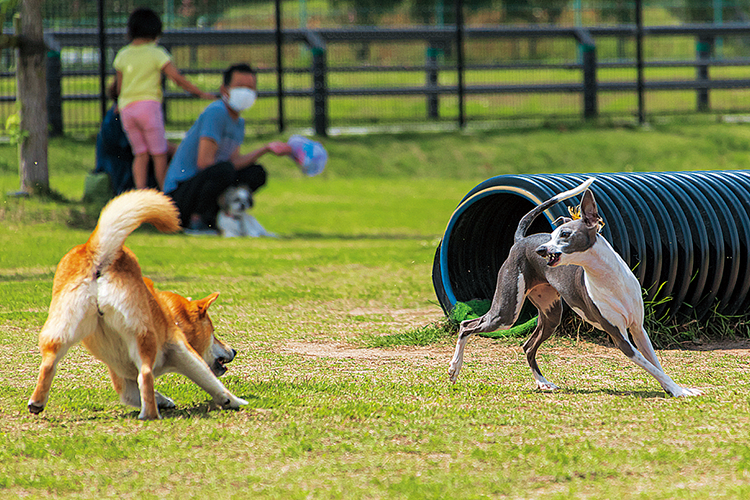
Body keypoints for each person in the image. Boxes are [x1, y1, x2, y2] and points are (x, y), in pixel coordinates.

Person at [163, 63, 292, 235]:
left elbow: (234, 162)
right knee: (224, 170)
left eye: (250, 88)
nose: (245, 92)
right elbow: (204, 162)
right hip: (179, 195)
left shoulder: (239, 123)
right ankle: (197, 220)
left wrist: (265, 149)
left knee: (255, 172)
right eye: (240, 86)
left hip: (207, 181)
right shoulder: (216, 112)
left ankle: (227, 214)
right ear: (225, 89)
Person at [113, 7, 214, 191]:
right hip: (148, 108)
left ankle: (141, 193)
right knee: (159, 154)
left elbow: (119, 87)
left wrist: (119, 105)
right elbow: (177, 78)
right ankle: (166, 193)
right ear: (155, 30)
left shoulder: (123, 54)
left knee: (140, 155)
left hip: (127, 109)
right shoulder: (157, 53)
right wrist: (199, 93)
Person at [94, 81, 176, 195]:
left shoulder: (115, 113)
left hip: (117, 169)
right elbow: (153, 147)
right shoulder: (124, 116)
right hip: (124, 176)